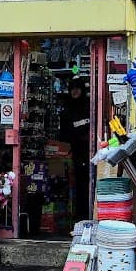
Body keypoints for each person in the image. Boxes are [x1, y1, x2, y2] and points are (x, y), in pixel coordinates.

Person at [59, 77, 91, 219]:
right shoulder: (67, 109)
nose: (75, 91)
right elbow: (64, 134)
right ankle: (80, 215)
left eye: (77, 88)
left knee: (88, 184)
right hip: (75, 153)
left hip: (89, 151)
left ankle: (88, 212)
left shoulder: (88, 107)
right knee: (78, 185)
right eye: (72, 88)